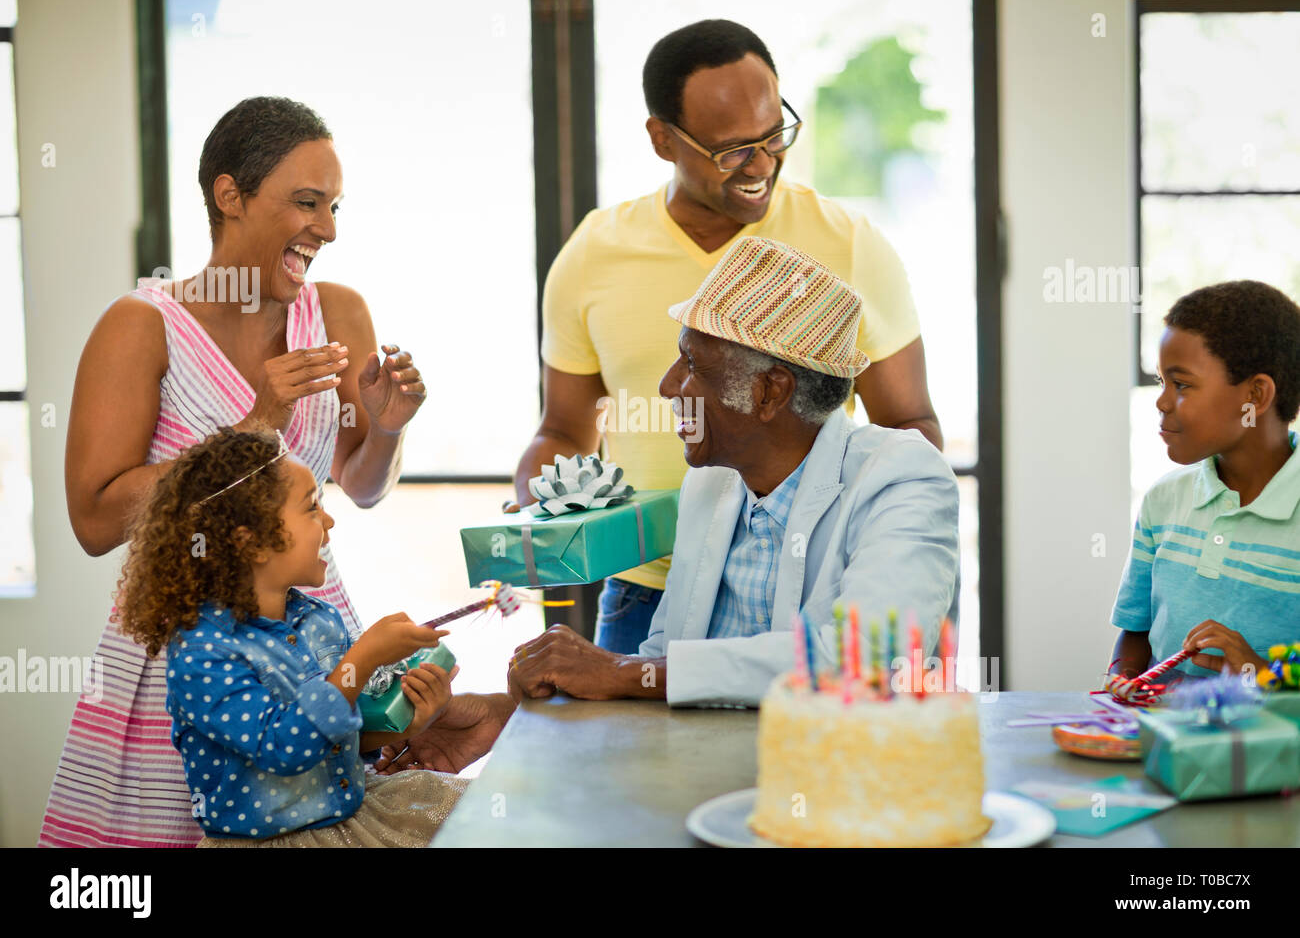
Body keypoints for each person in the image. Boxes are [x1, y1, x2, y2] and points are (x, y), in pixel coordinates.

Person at [40, 96, 428, 847]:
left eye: (335, 206)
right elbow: (92, 521)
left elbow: (362, 486)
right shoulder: (141, 326)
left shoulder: (340, 314)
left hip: (308, 638)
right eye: (307, 203)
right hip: (181, 657)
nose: (329, 229)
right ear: (231, 195)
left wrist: (384, 427)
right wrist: (252, 427)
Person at [514, 19, 943, 655]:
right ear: (663, 139)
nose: (762, 164)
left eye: (775, 136)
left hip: (809, 579)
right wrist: (535, 522)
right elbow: (565, 431)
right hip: (650, 593)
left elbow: (909, 427)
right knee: (633, 751)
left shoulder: (851, 245)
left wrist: (864, 548)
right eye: (733, 149)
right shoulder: (592, 255)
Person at [509, 237, 960, 708]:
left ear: (770, 392)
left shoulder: (904, 478)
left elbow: (868, 667)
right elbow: (664, 660)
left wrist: (621, 671)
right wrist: (512, 713)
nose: (666, 387)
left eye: (691, 364)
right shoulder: (712, 482)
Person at [115, 427, 470, 846]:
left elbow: (336, 743)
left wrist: (407, 723)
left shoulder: (319, 620)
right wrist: (364, 657)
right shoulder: (203, 654)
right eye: (312, 507)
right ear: (252, 543)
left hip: (353, 818)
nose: (329, 519)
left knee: (485, 817)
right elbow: (283, 747)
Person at [1110, 280, 1300, 683]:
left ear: (1255, 395)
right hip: (1164, 743)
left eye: (1181, 385)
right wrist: (1121, 680)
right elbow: (1136, 633)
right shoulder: (1163, 501)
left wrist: (1259, 673)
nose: (1161, 402)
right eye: (1162, 383)